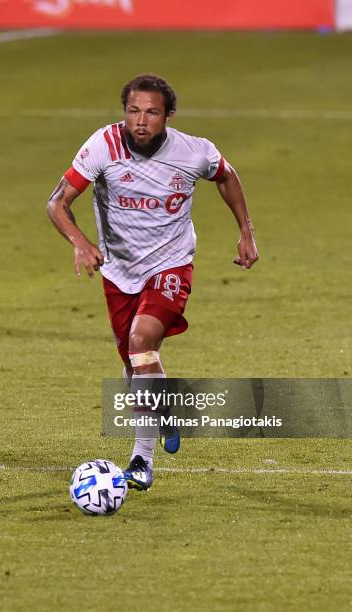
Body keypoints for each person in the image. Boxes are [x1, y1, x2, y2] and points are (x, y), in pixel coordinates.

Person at [47, 73, 259, 491]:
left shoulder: (194, 152)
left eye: (151, 113)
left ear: (168, 116)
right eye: (133, 111)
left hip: (171, 264)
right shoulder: (101, 147)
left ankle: (141, 459)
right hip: (119, 270)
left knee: (142, 343)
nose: (140, 121)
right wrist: (80, 241)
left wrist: (246, 229)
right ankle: (167, 413)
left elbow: (226, 175)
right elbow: (58, 202)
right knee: (135, 366)